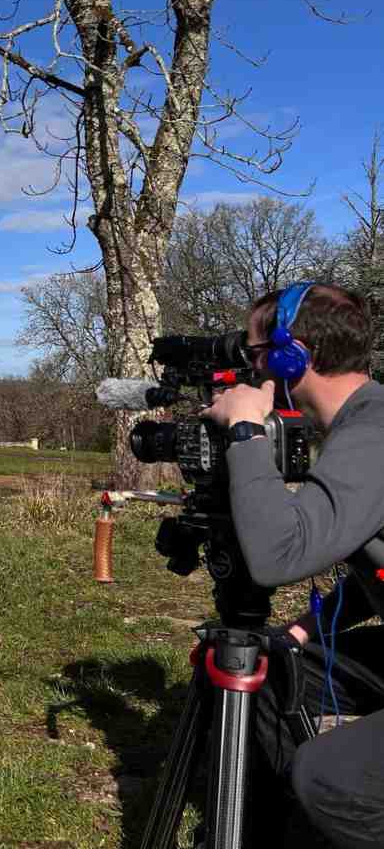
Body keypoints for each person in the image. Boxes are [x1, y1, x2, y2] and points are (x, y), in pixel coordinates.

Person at [203, 281, 384, 846]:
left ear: (291, 357)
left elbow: (277, 554)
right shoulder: (366, 424)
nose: (253, 370)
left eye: (256, 355)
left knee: (331, 779)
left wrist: (245, 430)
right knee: (272, 670)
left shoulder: (373, 435)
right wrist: (305, 628)